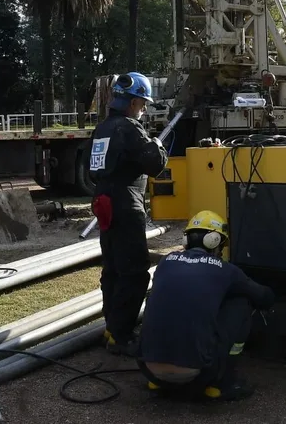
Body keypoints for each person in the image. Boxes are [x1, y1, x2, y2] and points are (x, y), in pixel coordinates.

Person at [137, 210, 275, 402]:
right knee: (243, 303)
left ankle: (159, 382)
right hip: (198, 373)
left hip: (148, 369)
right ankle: (223, 383)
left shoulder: (165, 262)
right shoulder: (226, 270)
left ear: (187, 240)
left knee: (157, 298)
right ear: (214, 241)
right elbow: (263, 297)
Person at [88, 72, 169, 357]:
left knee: (112, 267)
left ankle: (112, 325)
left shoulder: (102, 129)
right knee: (134, 271)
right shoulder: (130, 129)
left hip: (104, 199)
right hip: (125, 202)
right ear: (134, 102)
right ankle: (121, 336)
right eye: (143, 104)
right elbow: (154, 165)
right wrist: (157, 144)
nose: (144, 109)